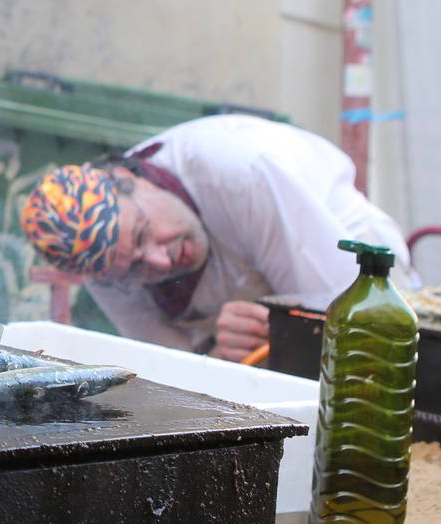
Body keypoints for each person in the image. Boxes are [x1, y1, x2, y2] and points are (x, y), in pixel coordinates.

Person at [20, 115, 413, 360]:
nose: (159, 261)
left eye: (144, 233)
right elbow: (172, 368)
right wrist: (218, 353)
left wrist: (279, 334)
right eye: (134, 267)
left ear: (130, 179)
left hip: (356, 276)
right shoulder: (106, 267)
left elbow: (348, 320)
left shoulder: (241, 174)